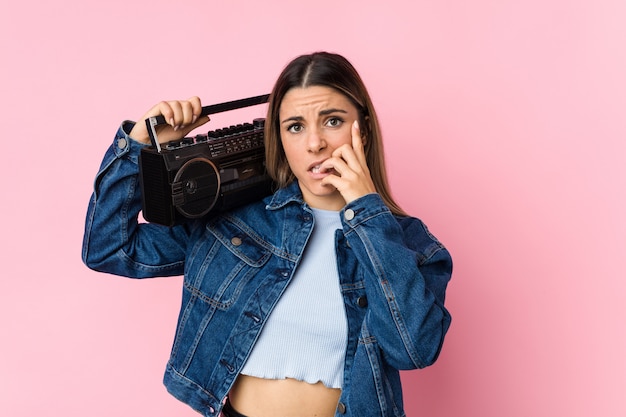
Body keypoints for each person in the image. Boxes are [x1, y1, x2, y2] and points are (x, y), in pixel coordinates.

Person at [82, 51, 453, 417]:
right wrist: (139, 145)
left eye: (333, 121)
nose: (314, 144)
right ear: (279, 137)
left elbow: (413, 350)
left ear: (364, 129)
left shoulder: (408, 244)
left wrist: (367, 213)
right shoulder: (234, 222)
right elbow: (109, 248)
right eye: (295, 126)